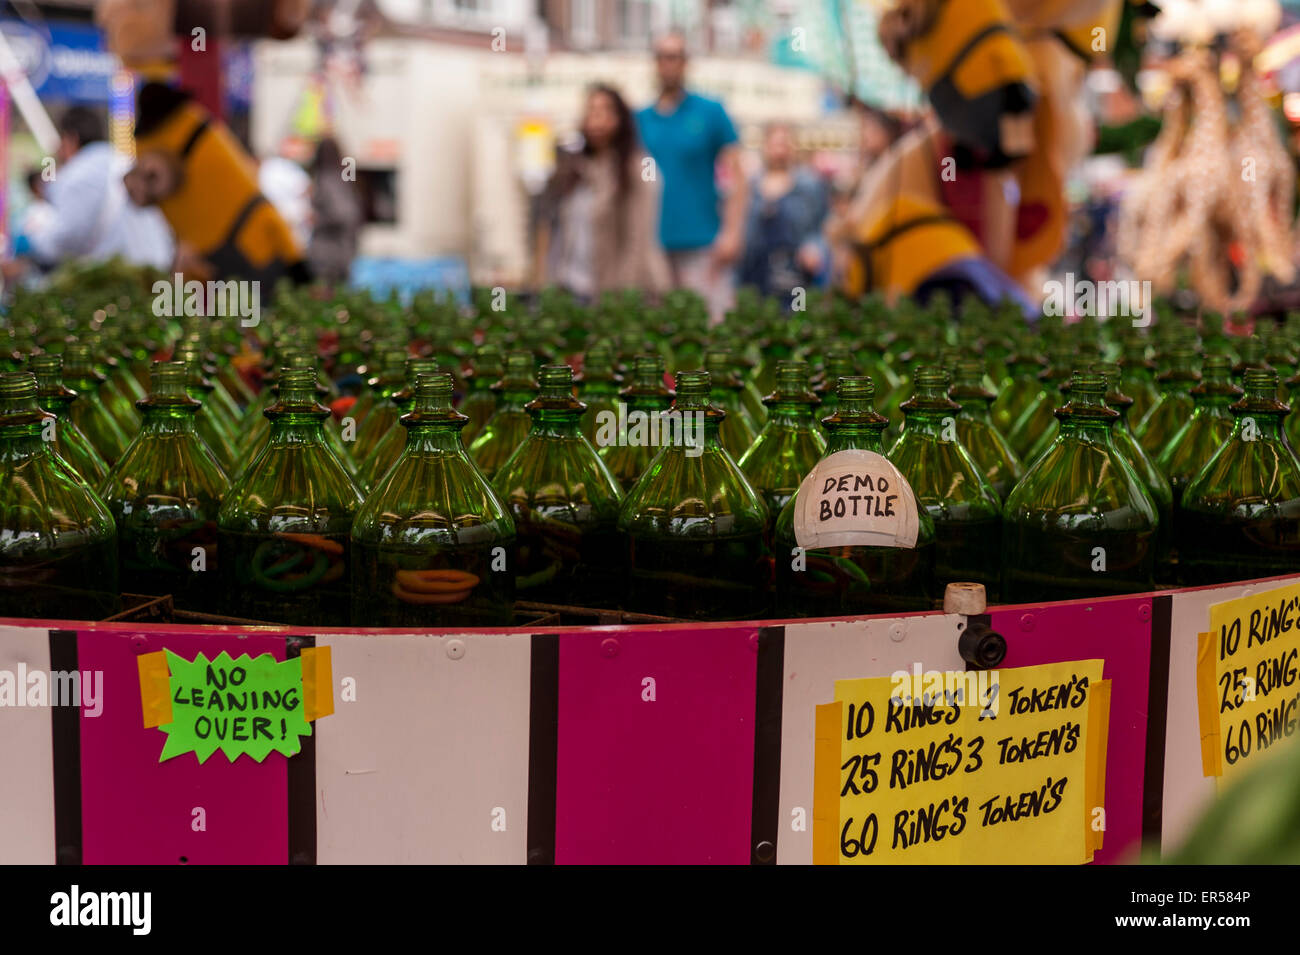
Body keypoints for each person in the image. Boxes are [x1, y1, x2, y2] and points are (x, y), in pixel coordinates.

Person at [636, 31, 747, 323]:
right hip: (653, 247)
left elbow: (737, 172)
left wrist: (732, 232)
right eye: (662, 57)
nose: (668, 64)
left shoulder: (710, 112)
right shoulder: (641, 120)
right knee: (660, 332)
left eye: (674, 57)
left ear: (686, 63)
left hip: (704, 243)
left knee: (709, 328)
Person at [535, 84, 669, 299]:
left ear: (621, 118)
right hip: (574, 286)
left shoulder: (642, 165)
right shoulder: (577, 168)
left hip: (617, 292)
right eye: (591, 110)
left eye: (605, 110)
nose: (596, 118)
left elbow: (642, 236)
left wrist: (624, 291)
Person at [25, 106, 174, 270]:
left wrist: (35, 236)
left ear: (71, 139)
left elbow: (64, 238)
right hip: (158, 266)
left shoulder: (78, 175)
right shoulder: (121, 159)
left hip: (121, 276)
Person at [738, 122, 829, 302]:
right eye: (775, 144)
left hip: (796, 275)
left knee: (798, 319)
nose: (780, 151)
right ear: (765, 146)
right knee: (756, 321)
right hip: (755, 273)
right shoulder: (750, 185)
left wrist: (815, 247)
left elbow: (821, 226)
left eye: (785, 144)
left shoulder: (809, 185)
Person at [307, 136, 363, 286]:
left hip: (329, 255)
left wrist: (317, 219)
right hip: (343, 252)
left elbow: (343, 213)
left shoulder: (327, 180)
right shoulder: (344, 177)